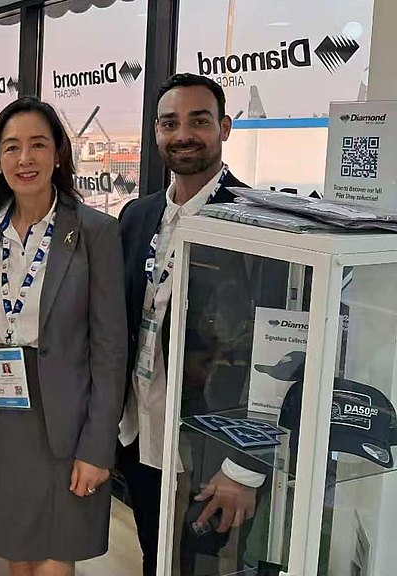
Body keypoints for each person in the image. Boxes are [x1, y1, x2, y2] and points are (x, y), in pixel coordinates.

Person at [0, 96, 127, 576]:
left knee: (55, 552)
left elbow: (111, 348)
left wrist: (98, 446)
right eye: (11, 147)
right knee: (18, 544)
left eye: (37, 145)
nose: (24, 158)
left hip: (67, 416)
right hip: (1, 409)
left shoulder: (94, 232)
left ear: (58, 153)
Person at [116, 73, 283, 575]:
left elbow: (278, 349)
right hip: (142, 436)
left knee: (208, 569)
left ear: (224, 128)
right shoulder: (137, 217)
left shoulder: (259, 225)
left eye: (199, 121)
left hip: (217, 451)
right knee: (155, 558)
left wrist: (245, 465)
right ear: (156, 132)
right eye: (170, 123)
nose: (183, 134)